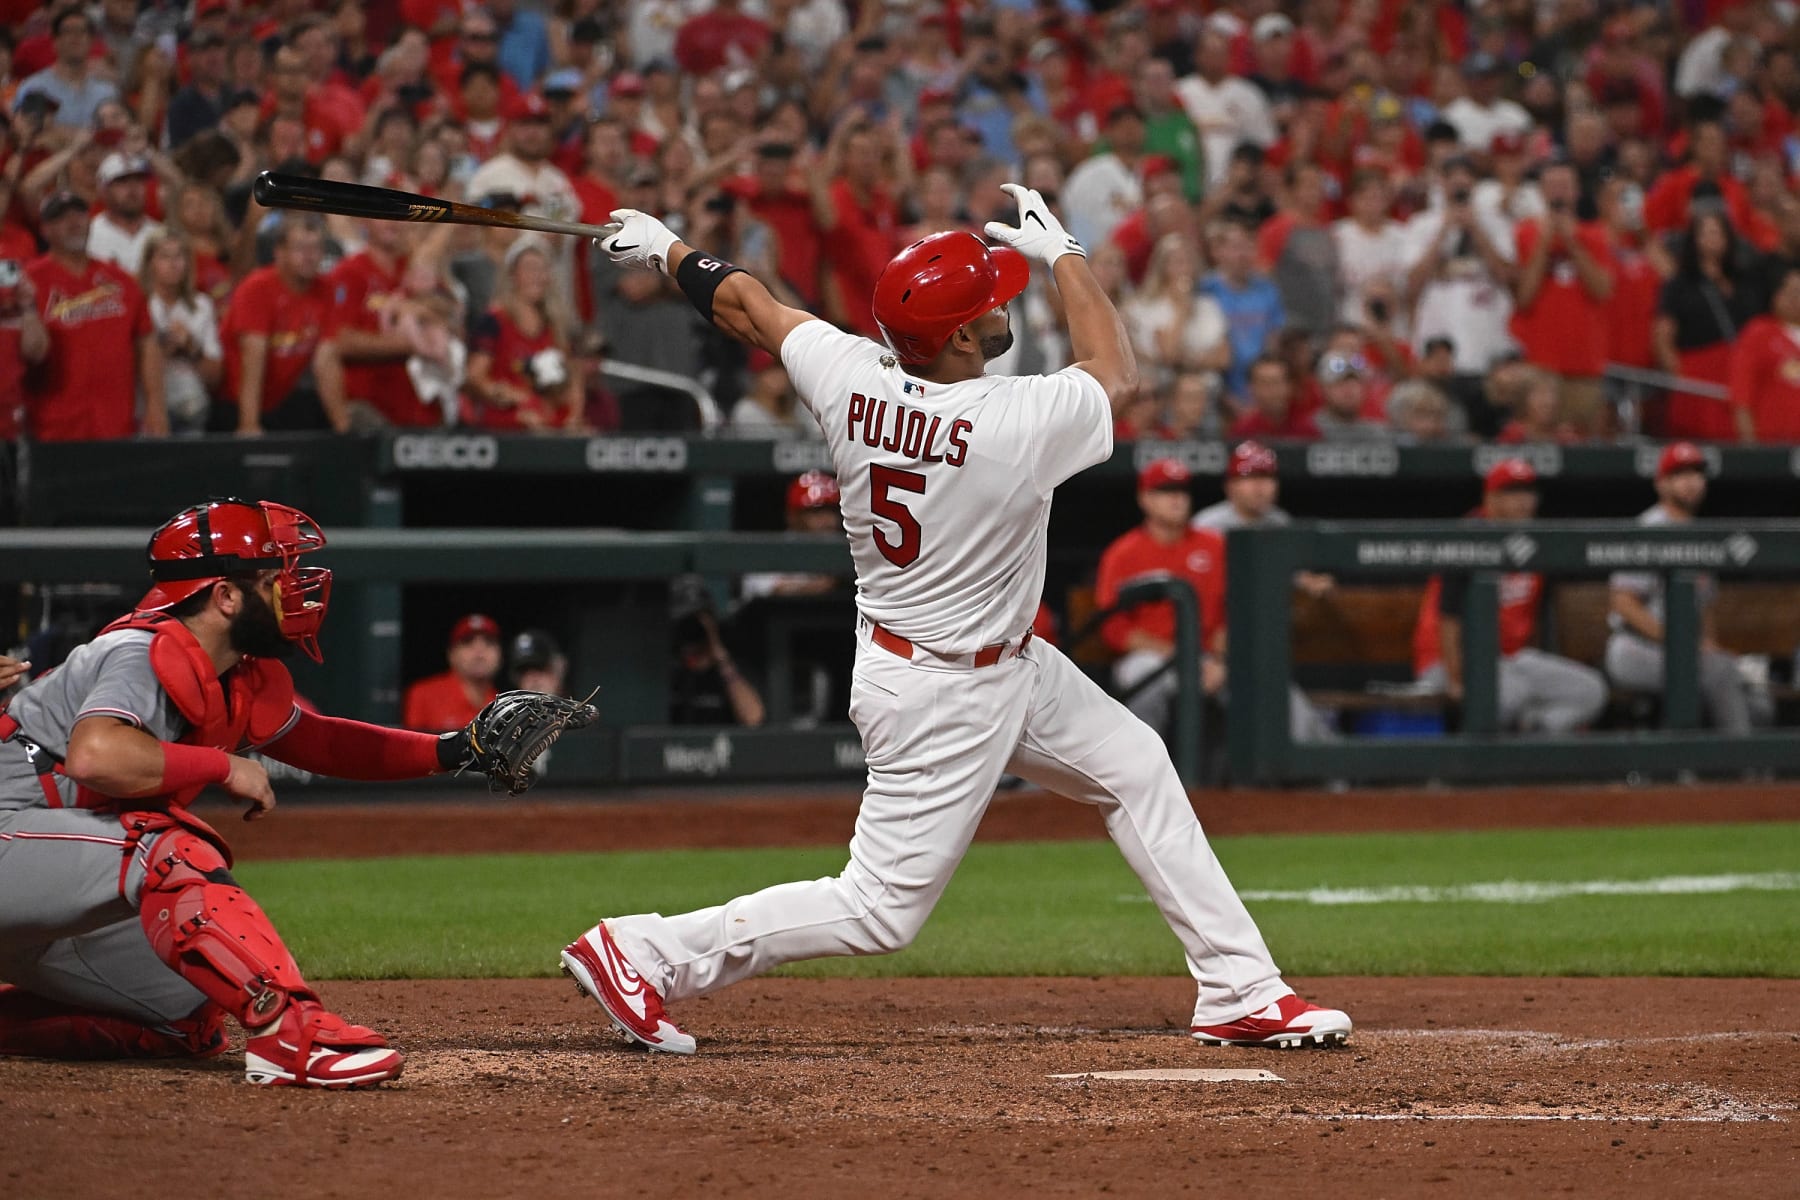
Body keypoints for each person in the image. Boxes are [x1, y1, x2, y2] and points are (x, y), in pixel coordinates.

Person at [562, 184, 1350, 1054]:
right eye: (990, 304)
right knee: (878, 910)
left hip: (992, 661)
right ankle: (644, 951)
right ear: (962, 340)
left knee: (1135, 766)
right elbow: (1117, 371)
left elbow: (748, 306)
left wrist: (667, 248)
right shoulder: (1011, 421)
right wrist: (1067, 257)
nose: (1004, 304)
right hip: (941, 689)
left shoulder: (849, 373)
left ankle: (1241, 988)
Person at [0, 498, 517, 1087]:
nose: (293, 591)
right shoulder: (138, 651)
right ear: (225, 596)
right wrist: (222, 766)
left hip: (43, 879)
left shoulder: (232, 673)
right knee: (167, 850)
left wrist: (454, 749)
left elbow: (325, 743)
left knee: (185, 1015)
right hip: (11, 831)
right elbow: (96, 755)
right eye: (275, 578)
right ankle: (290, 1033)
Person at [1412, 460, 1607, 733]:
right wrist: (1455, 680)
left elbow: (1534, 621)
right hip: (1446, 662)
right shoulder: (1467, 538)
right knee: (1511, 694)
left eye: (1528, 492)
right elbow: (1448, 619)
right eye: (1513, 492)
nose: (1524, 501)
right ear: (1490, 498)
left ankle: (1535, 734)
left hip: (1510, 661)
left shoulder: (1534, 541)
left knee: (1590, 690)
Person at [1604, 442, 1771, 735]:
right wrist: (1680, 643)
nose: (1691, 482)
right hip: (1635, 649)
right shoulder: (1649, 529)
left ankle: (1734, 759)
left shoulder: (1699, 532)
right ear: (1661, 484)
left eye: (1696, 473)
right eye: (1680, 474)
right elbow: (1623, 603)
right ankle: (1738, 758)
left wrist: (1708, 646)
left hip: (1680, 651)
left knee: (1757, 701)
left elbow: (1703, 606)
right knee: (1720, 672)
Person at [1096, 458, 1228, 735]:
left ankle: (1267, 763)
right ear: (1145, 499)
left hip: (1210, 659)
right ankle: (1144, 759)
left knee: (1259, 683)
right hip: (1154, 657)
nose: (1177, 499)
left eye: (1181, 491)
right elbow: (1112, 627)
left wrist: (1222, 660)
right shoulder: (1123, 553)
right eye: (1166, 491)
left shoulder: (1214, 545)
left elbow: (1236, 610)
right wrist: (1177, 654)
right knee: (1142, 676)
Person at [22, 189, 167, 441]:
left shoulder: (121, 280)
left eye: (79, 215)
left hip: (116, 421)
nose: (73, 222)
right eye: (61, 218)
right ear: (45, 230)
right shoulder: (28, 282)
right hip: (51, 425)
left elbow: (146, 342)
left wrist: (155, 405)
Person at [1510, 161, 1615, 438]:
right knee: (1539, 441)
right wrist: (1544, 243)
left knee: (1582, 444)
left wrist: (1572, 241)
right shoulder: (1525, 233)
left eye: (1565, 185)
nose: (1558, 192)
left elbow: (1602, 290)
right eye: (1552, 185)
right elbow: (1524, 296)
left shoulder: (1595, 234)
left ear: (1577, 191)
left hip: (1585, 363)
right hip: (1540, 365)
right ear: (1541, 191)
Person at [218, 217, 350, 435]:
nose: (309, 256)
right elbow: (252, 358)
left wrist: (344, 428)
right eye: (300, 248)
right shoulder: (256, 288)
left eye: (315, 248)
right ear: (279, 252)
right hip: (233, 402)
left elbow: (326, 360)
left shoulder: (326, 288)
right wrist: (249, 425)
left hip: (281, 400)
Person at [1192, 440, 1332, 597]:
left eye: (1266, 477)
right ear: (1230, 486)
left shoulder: (1280, 522)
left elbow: (1290, 572)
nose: (1259, 486)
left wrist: (1307, 581)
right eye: (1250, 477)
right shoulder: (1207, 525)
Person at [138, 231, 222, 437]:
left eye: (179, 256)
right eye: (165, 256)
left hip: (192, 407)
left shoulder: (202, 306)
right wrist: (158, 349)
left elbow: (215, 376)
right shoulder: (139, 305)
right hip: (147, 411)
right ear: (149, 263)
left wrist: (190, 347)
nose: (173, 264)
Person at [742, 471, 845, 601]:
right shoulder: (771, 550)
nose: (828, 521)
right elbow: (763, 590)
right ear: (792, 517)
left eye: (831, 512)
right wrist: (817, 587)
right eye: (816, 512)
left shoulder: (848, 550)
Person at [1728, 263, 1800, 444]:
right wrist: (1751, 448)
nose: (1796, 299)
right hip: (1773, 444)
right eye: (1791, 292)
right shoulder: (1758, 333)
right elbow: (1741, 394)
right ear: (1776, 295)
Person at [403, 613, 503, 733]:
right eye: (468, 642)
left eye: (489, 643)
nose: (479, 651)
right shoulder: (424, 695)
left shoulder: (504, 704)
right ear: (452, 654)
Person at [86, 152, 162, 275]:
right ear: (103, 190)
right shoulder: (89, 234)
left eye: (138, 180)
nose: (132, 188)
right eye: (122, 181)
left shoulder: (159, 234)